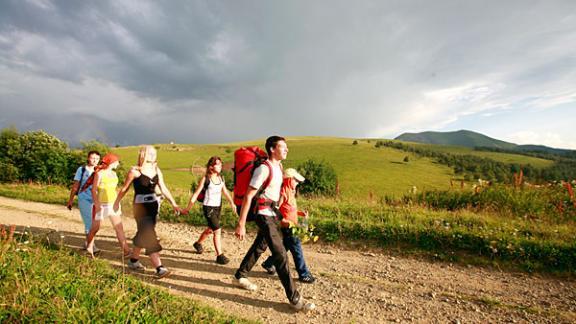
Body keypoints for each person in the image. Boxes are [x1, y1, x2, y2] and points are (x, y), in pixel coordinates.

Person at [234, 136, 315, 312]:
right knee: (280, 255)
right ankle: (295, 299)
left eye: (286, 147)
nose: (287, 150)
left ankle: (240, 275)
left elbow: (276, 196)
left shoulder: (279, 167)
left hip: (273, 214)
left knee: (260, 246)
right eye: (282, 147)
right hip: (263, 214)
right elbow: (248, 196)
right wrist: (241, 223)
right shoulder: (264, 169)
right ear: (272, 149)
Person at [114, 145, 181, 279]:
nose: (153, 155)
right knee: (149, 234)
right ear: (143, 154)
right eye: (150, 153)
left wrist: (174, 203)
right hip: (140, 206)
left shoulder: (156, 169)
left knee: (143, 233)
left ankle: (133, 261)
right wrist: (116, 202)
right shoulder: (135, 171)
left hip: (153, 206)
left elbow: (163, 188)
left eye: (154, 153)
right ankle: (159, 268)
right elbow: (124, 189)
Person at [260, 168, 316, 283]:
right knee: (297, 250)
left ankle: (269, 263)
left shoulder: (291, 192)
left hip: (292, 226)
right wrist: (284, 221)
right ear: (289, 180)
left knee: (284, 248)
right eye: (295, 180)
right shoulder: (283, 192)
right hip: (289, 228)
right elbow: (275, 209)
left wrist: (301, 213)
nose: (297, 183)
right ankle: (303, 274)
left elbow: (289, 209)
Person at [183, 156, 238, 265]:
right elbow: (196, 193)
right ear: (211, 167)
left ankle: (198, 243)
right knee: (217, 230)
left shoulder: (221, 178)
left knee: (211, 229)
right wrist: (188, 208)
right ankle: (219, 255)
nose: (220, 166)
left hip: (218, 207)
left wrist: (232, 203)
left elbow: (225, 192)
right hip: (208, 207)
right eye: (218, 164)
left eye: (221, 164)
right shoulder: (206, 179)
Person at [83, 153, 131, 258]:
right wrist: (97, 204)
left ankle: (126, 251)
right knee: (95, 228)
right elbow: (94, 190)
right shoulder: (99, 173)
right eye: (117, 161)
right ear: (112, 162)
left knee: (119, 228)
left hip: (113, 204)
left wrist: (117, 202)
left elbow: (113, 189)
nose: (118, 163)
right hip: (101, 205)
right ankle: (89, 248)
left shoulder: (114, 174)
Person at [66, 150, 100, 250]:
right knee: (89, 223)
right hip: (84, 198)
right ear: (88, 158)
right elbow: (75, 186)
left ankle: (87, 243)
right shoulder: (82, 170)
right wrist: (71, 200)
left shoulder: (99, 171)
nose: (95, 160)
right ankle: (91, 246)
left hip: (96, 200)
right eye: (93, 158)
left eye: (97, 158)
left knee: (95, 223)